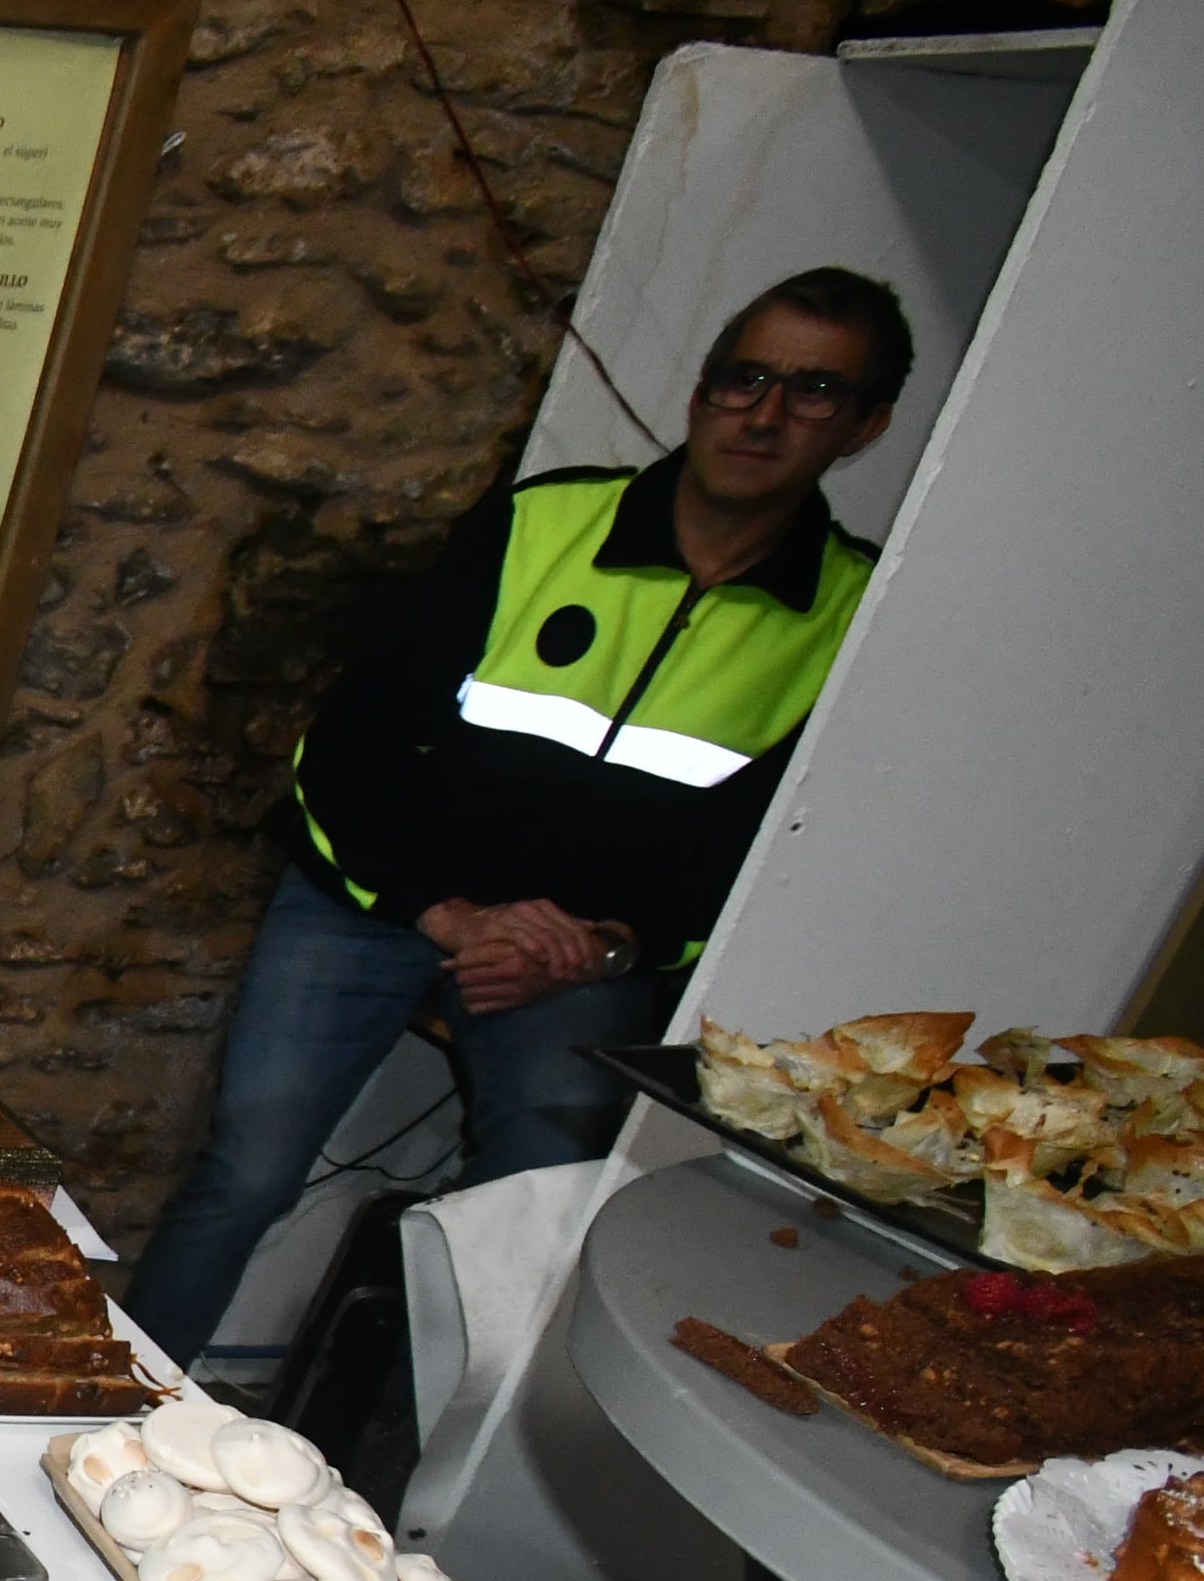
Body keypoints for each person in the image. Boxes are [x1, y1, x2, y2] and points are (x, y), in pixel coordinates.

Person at [124, 266, 912, 1363]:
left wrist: (605, 946)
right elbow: (348, 744)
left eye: (815, 392)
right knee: (247, 1169)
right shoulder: (545, 524)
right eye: (746, 377)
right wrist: (447, 914)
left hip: (580, 956)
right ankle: (97, 1412)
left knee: (530, 1212)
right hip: (391, 903)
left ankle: (403, 1489)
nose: (765, 415)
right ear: (703, 388)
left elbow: (765, 851)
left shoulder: (849, 614)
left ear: (867, 425)